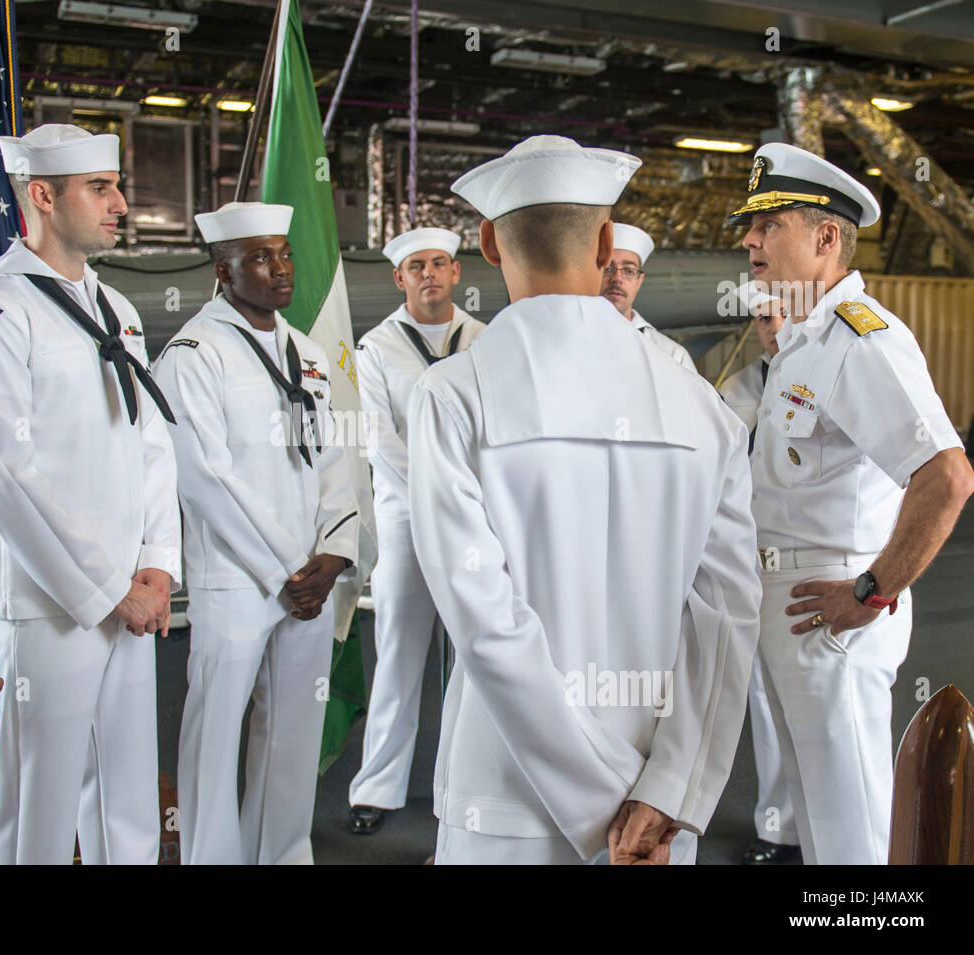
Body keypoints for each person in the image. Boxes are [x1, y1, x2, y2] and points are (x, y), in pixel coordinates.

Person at [410, 135, 762, 865]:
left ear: (487, 243)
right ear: (607, 243)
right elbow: (728, 614)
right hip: (652, 816)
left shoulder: (453, 397)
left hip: (506, 797)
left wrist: (593, 799)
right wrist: (662, 792)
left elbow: (484, 626)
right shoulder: (702, 407)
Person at [0, 123, 181, 865]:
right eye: (99, 188)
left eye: (115, 185)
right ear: (41, 195)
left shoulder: (116, 309)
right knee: (40, 808)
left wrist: (157, 563)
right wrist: (110, 587)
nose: (120, 203)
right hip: (52, 600)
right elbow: (3, 474)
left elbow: (152, 443)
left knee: (129, 800)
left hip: (132, 592)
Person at [729, 142, 974, 865]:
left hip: (830, 611)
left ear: (826, 238)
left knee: (854, 828)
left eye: (769, 224)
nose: (750, 239)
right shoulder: (801, 344)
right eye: (752, 225)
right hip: (793, 603)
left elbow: (949, 476)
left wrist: (871, 591)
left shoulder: (860, 339)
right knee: (819, 819)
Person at [152, 201, 360, 865]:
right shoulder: (191, 354)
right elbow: (205, 480)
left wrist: (334, 553)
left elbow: (333, 458)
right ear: (222, 270)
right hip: (239, 578)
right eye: (260, 258)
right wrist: (289, 571)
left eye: (285, 254)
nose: (280, 270)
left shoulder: (304, 350)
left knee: (292, 733)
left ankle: (283, 854)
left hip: (310, 577)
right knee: (215, 733)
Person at [347, 227, 486, 835]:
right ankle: (376, 788)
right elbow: (379, 440)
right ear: (398, 280)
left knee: (480, 652)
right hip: (407, 516)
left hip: (478, 515)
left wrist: (466, 499)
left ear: (457, 274)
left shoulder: (486, 340)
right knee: (401, 648)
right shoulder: (375, 347)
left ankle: (468, 782)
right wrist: (438, 495)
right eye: (415, 267)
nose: (429, 273)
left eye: (439, 263)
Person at [717, 283, 801, 864]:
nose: (772, 327)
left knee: (817, 702)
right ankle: (778, 826)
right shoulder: (735, 391)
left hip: (813, 561)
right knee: (764, 700)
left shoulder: (827, 380)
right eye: (762, 319)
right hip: (749, 560)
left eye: (780, 315)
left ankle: (828, 827)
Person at [600, 223, 697, 372]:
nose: (617, 278)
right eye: (608, 269)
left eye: (629, 271)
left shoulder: (672, 355)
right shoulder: (569, 341)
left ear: (639, 281)